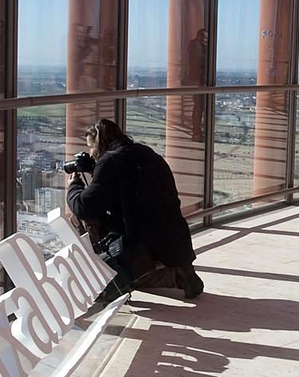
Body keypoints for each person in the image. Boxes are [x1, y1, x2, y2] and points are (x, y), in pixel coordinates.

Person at [66, 117, 204, 303]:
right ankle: (177, 273)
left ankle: (109, 277)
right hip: (175, 241)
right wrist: (95, 170)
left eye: (91, 148)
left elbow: (83, 207)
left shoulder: (109, 161)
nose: (91, 154)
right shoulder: (146, 153)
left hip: (140, 247)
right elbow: (130, 188)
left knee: (78, 218)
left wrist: (74, 185)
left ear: (99, 144)